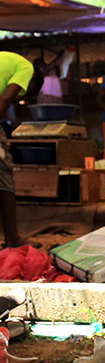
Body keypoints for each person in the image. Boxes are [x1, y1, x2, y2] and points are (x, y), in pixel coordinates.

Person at [0, 51, 42, 247]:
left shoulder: (8, 61)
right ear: (32, 83)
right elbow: (6, 99)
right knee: (4, 173)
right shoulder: (26, 68)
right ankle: (12, 239)